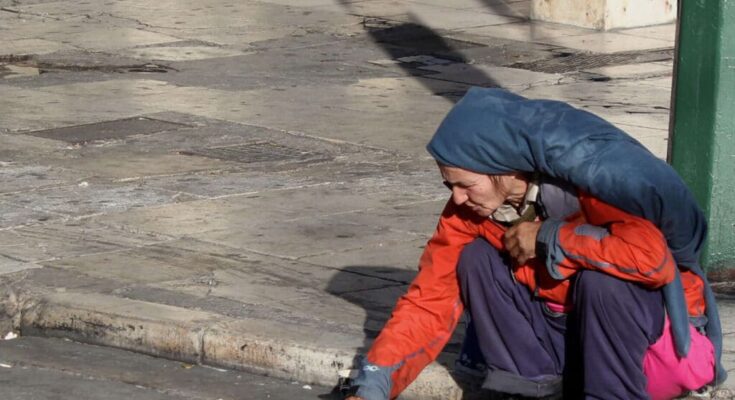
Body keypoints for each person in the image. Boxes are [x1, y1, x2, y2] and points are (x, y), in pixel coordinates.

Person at [342, 88, 725, 400]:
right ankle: (530, 389)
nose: (456, 198)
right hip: (568, 340)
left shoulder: (592, 190)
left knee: (603, 282)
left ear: (504, 169)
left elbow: (652, 259)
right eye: (449, 186)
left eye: (464, 184)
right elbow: (427, 303)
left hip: (648, 355)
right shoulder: (469, 211)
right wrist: (372, 386)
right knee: (476, 259)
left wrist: (548, 237)